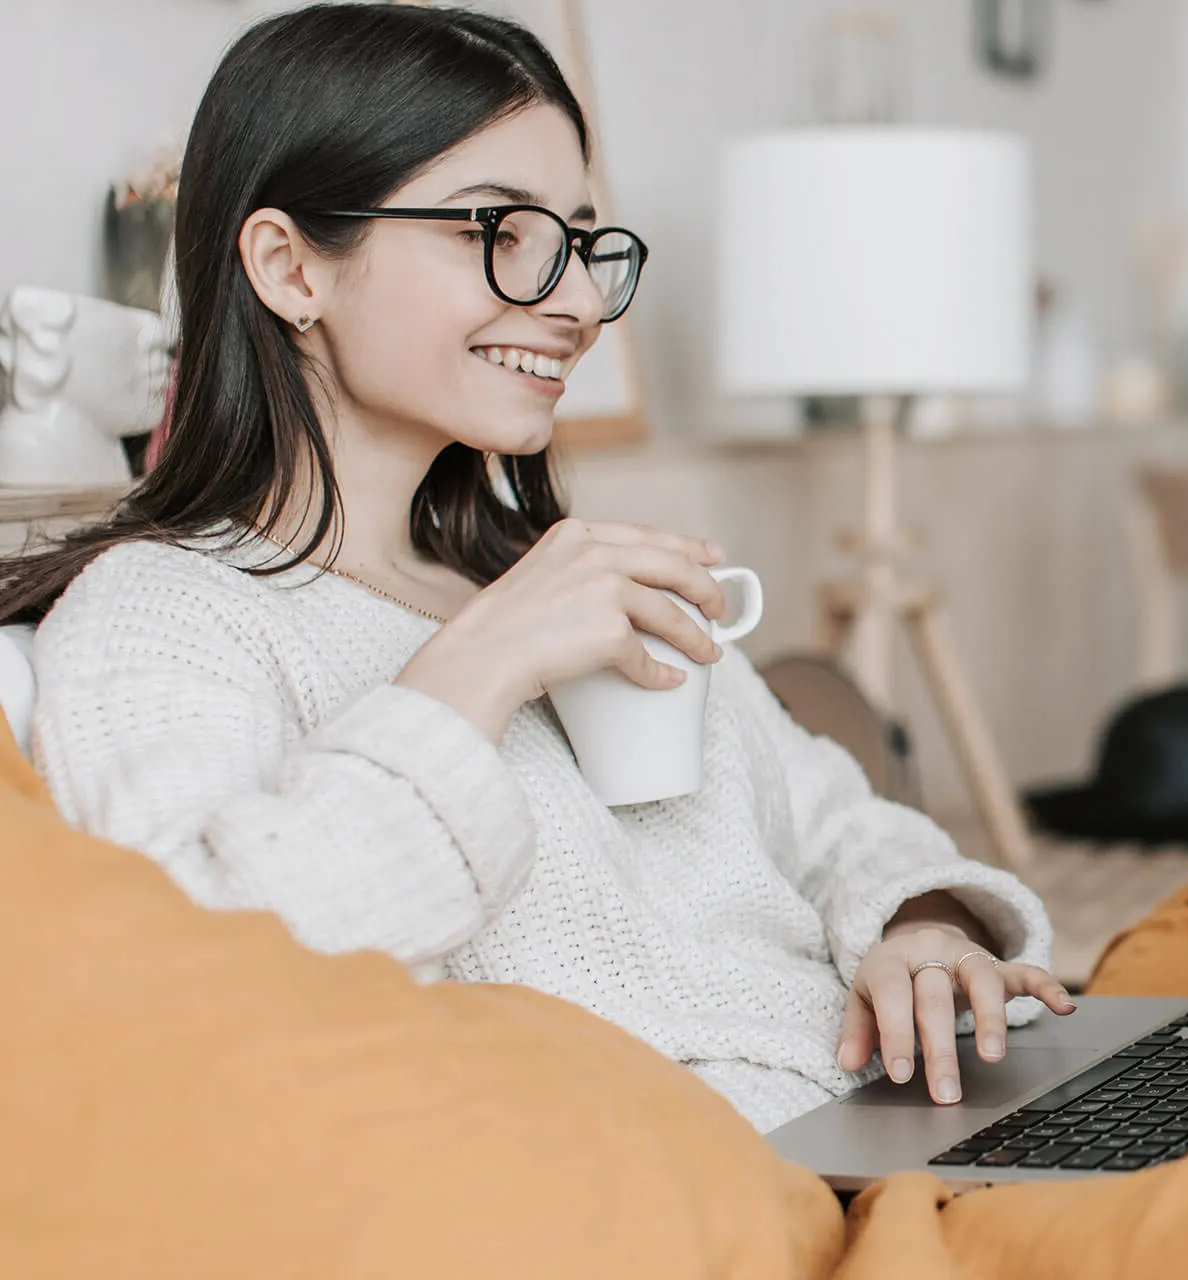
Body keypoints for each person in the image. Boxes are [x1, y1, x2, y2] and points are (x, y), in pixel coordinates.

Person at [0, 4, 1071, 1134]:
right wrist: (478, 669)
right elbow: (202, 980)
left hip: (902, 1112)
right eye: (497, 232)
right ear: (289, 266)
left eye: (578, 241)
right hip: (706, 1188)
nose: (570, 302)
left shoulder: (552, 571)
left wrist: (919, 927)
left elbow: (839, 818)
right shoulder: (167, 617)